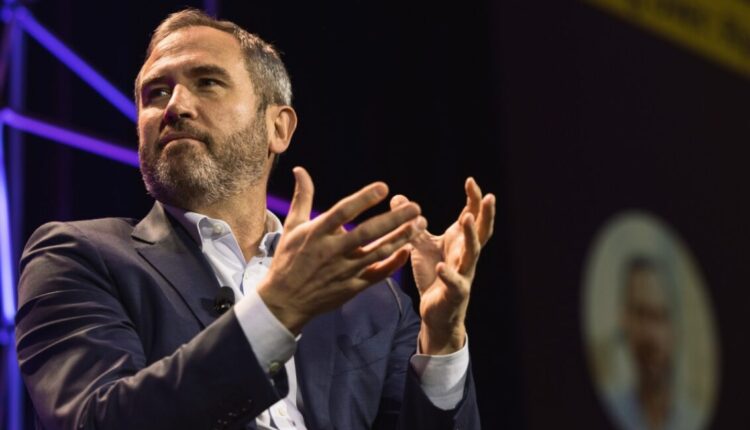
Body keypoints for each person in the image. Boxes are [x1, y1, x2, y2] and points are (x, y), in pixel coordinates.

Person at [15, 8, 495, 430]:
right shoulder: (78, 258)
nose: (175, 107)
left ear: (278, 127)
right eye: (155, 93)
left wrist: (443, 339)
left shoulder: (371, 301)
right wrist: (275, 313)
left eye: (207, 82)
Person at [608, 256, 698, 430]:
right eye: (641, 314)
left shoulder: (693, 421)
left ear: (676, 330)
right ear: (625, 321)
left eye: (661, 316)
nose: (651, 334)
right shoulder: (612, 407)